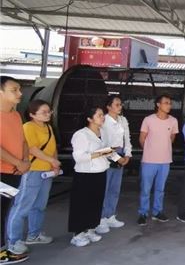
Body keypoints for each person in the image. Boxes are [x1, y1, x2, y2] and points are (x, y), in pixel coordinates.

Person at [5, 100, 59, 255]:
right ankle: (13, 241)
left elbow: (52, 148)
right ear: (32, 114)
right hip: (33, 172)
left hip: (46, 172)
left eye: (49, 111)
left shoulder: (48, 127)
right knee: (22, 206)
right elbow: (32, 149)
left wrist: (54, 163)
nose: (48, 114)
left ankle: (34, 234)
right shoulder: (28, 127)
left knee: (40, 205)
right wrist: (52, 161)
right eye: (44, 112)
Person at [68, 107, 119, 247]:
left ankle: (90, 229)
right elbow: (79, 157)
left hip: (100, 172)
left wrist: (118, 158)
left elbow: (107, 150)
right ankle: (78, 234)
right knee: (82, 204)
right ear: (89, 118)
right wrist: (102, 152)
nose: (103, 117)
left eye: (103, 115)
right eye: (99, 115)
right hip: (85, 174)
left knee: (95, 203)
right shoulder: (81, 134)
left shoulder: (102, 132)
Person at [0, 76, 30, 265]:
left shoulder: (16, 115)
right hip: (3, 172)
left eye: (19, 89)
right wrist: (18, 163)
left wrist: (24, 161)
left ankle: (2, 251)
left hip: (13, 173)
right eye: (14, 90)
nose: (20, 93)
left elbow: (23, 141)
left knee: (3, 211)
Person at [137, 94, 179, 226]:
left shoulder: (173, 121)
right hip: (149, 161)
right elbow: (142, 139)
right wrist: (150, 150)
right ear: (158, 105)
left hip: (165, 161)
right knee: (145, 188)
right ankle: (143, 213)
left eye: (170, 103)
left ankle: (157, 212)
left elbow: (172, 138)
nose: (169, 105)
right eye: (166, 103)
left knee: (160, 189)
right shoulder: (148, 120)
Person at [97, 95, 132, 233]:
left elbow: (127, 139)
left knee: (114, 189)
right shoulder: (104, 121)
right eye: (117, 104)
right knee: (104, 189)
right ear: (108, 107)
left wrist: (127, 154)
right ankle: (100, 219)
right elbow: (103, 145)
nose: (120, 107)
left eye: (120, 104)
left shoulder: (123, 120)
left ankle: (110, 215)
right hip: (107, 156)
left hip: (121, 154)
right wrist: (117, 158)